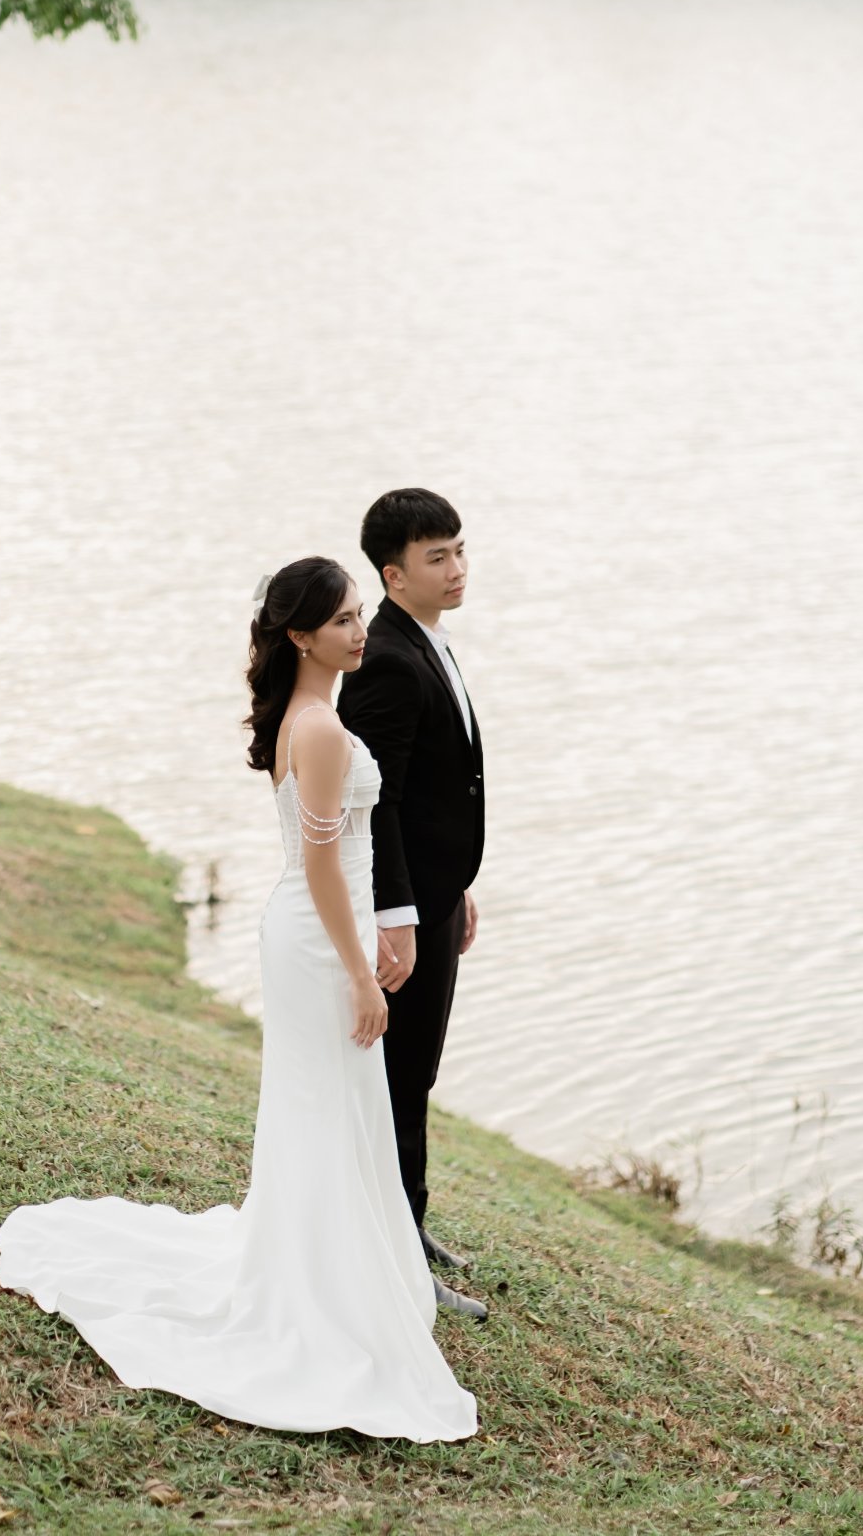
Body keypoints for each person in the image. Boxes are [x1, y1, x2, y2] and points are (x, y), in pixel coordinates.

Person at [0, 557, 477, 1442]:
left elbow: (338, 857)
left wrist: (373, 931)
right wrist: (361, 971)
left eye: (359, 614)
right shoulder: (319, 730)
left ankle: (334, 1265)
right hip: (317, 942)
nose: (360, 631)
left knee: (330, 1105)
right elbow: (322, 865)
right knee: (324, 1104)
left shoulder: (310, 717)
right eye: (342, 620)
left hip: (320, 931)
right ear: (301, 636)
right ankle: (317, 1288)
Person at [337, 489, 487, 1321]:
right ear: (394, 575)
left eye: (459, 550)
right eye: (437, 557)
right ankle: (396, 1253)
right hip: (403, 914)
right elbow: (376, 802)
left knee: (417, 1071)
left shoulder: (427, 639)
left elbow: (439, 789)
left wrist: (454, 884)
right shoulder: (388, 661)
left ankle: (407, 1228)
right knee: (398, 1076)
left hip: (434, 896)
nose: (457, 568)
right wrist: (397, 914)